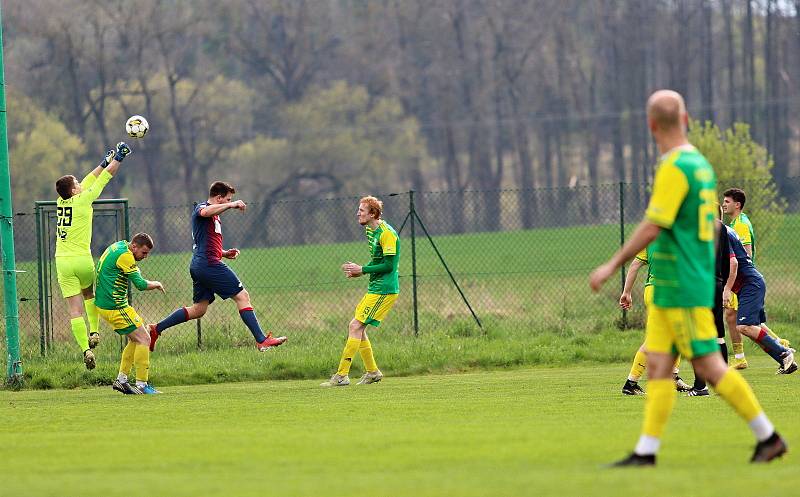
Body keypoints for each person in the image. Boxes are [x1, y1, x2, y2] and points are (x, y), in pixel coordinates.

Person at [590, 89, 786, 466]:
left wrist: (612, 264)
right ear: (685, 120)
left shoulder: (674, 167)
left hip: (680, 285)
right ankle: (646, 452)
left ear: (651, 125)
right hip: (673, 285)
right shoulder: (700, 165)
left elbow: (652, 224)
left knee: (710, 366)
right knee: (661, 366)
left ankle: (769, 436)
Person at [147, 181, 286, 351]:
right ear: (219, 198)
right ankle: (261, 340)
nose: (229, 202)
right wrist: (232, 204)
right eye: (227, 199)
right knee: (242, 296)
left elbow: (206, 244)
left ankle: (156, 329)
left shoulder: (214, 216)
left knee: (198, 310)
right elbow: (205, 212)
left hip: (201, 264)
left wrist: (224, 253)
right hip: (208, 264)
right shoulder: (203, 208)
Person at [54, 142, 131, 370]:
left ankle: (85, 349)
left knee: (73, 311)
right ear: (75, 191)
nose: (80, 183)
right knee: (89, 294)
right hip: (82, 259)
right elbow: (104, 178)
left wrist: (102, 162)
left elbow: (87, 179)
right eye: (77, 183)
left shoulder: (61, 202)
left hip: (62, 261)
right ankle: (95, 332)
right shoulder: (84, 200)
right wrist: (119, 158)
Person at [320, 196, 400, 387]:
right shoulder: (370, 231)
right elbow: (377, 259)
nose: (358, 213)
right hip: (375, 287)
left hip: (385, 289)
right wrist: (360, 271)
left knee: (355, 326)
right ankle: (372, 372)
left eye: (362, 210)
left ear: (373, 214)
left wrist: (362, 269)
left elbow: (389, 265)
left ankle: (341, 376)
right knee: (358, 328)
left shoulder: (387, 234)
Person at [721, 188, 789, 369]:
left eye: (727, 201)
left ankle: (779, 349)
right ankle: (783, 357)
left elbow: (745, 255)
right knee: (748, 324)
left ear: (737, 204)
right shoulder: (734, 224)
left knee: (742, 324)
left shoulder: (740, 225)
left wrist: (729, 285)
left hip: (745, 281)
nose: (723, 204)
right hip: (744, 282)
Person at [94, 233, 165, 395]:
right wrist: (156, 284)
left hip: (107, 304)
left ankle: (122, 380)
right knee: (145, 338)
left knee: (136, 338)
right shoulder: (126, 256)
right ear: (134, 247)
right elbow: (140, 284)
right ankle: (142, 384)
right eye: (144, 253)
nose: (145, 257)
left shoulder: (120, 246)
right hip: (115, 306)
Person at [619, 247, 691, 395]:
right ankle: (630, 383)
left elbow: (634, 265)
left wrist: (626, 292)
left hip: (651, 290)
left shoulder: (651, 240)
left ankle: (673, 376)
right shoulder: (677, 235)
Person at [687, 213, 735, 397]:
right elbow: (725, 261)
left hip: (697, 285)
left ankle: (700, 386)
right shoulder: (719, 226)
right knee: (718, 334)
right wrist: (722, 285)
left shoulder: (690, 224)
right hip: (715, 284)